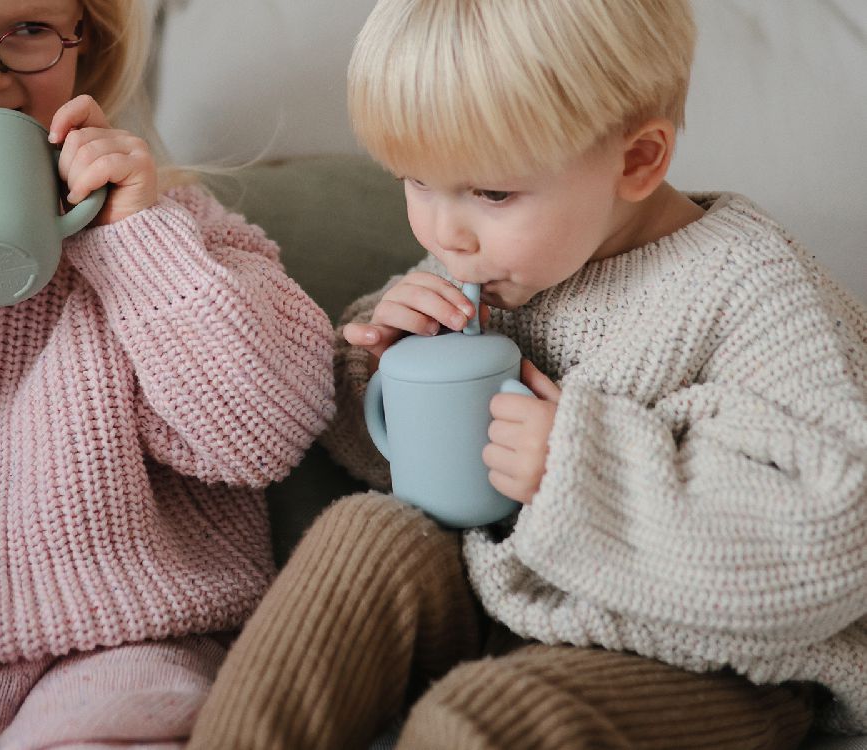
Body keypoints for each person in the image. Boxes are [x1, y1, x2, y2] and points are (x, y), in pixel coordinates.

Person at [188, 1, 867, 748]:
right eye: (416, 181)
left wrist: (579, 469)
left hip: (712, 658)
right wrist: (384, 366)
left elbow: (837, 529)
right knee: (362, 536)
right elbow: (384, 459)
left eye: (492, 193)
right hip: (506, 594)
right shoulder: (493, 261)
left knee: (489, 718)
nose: (446, 232)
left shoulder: (751, 288)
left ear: (637, 160)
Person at [0, 1, 335, 747]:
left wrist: (136, 239)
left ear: (85, 47)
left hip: (121, 643)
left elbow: (263, 434)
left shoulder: (172, 228)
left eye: (28, 31)